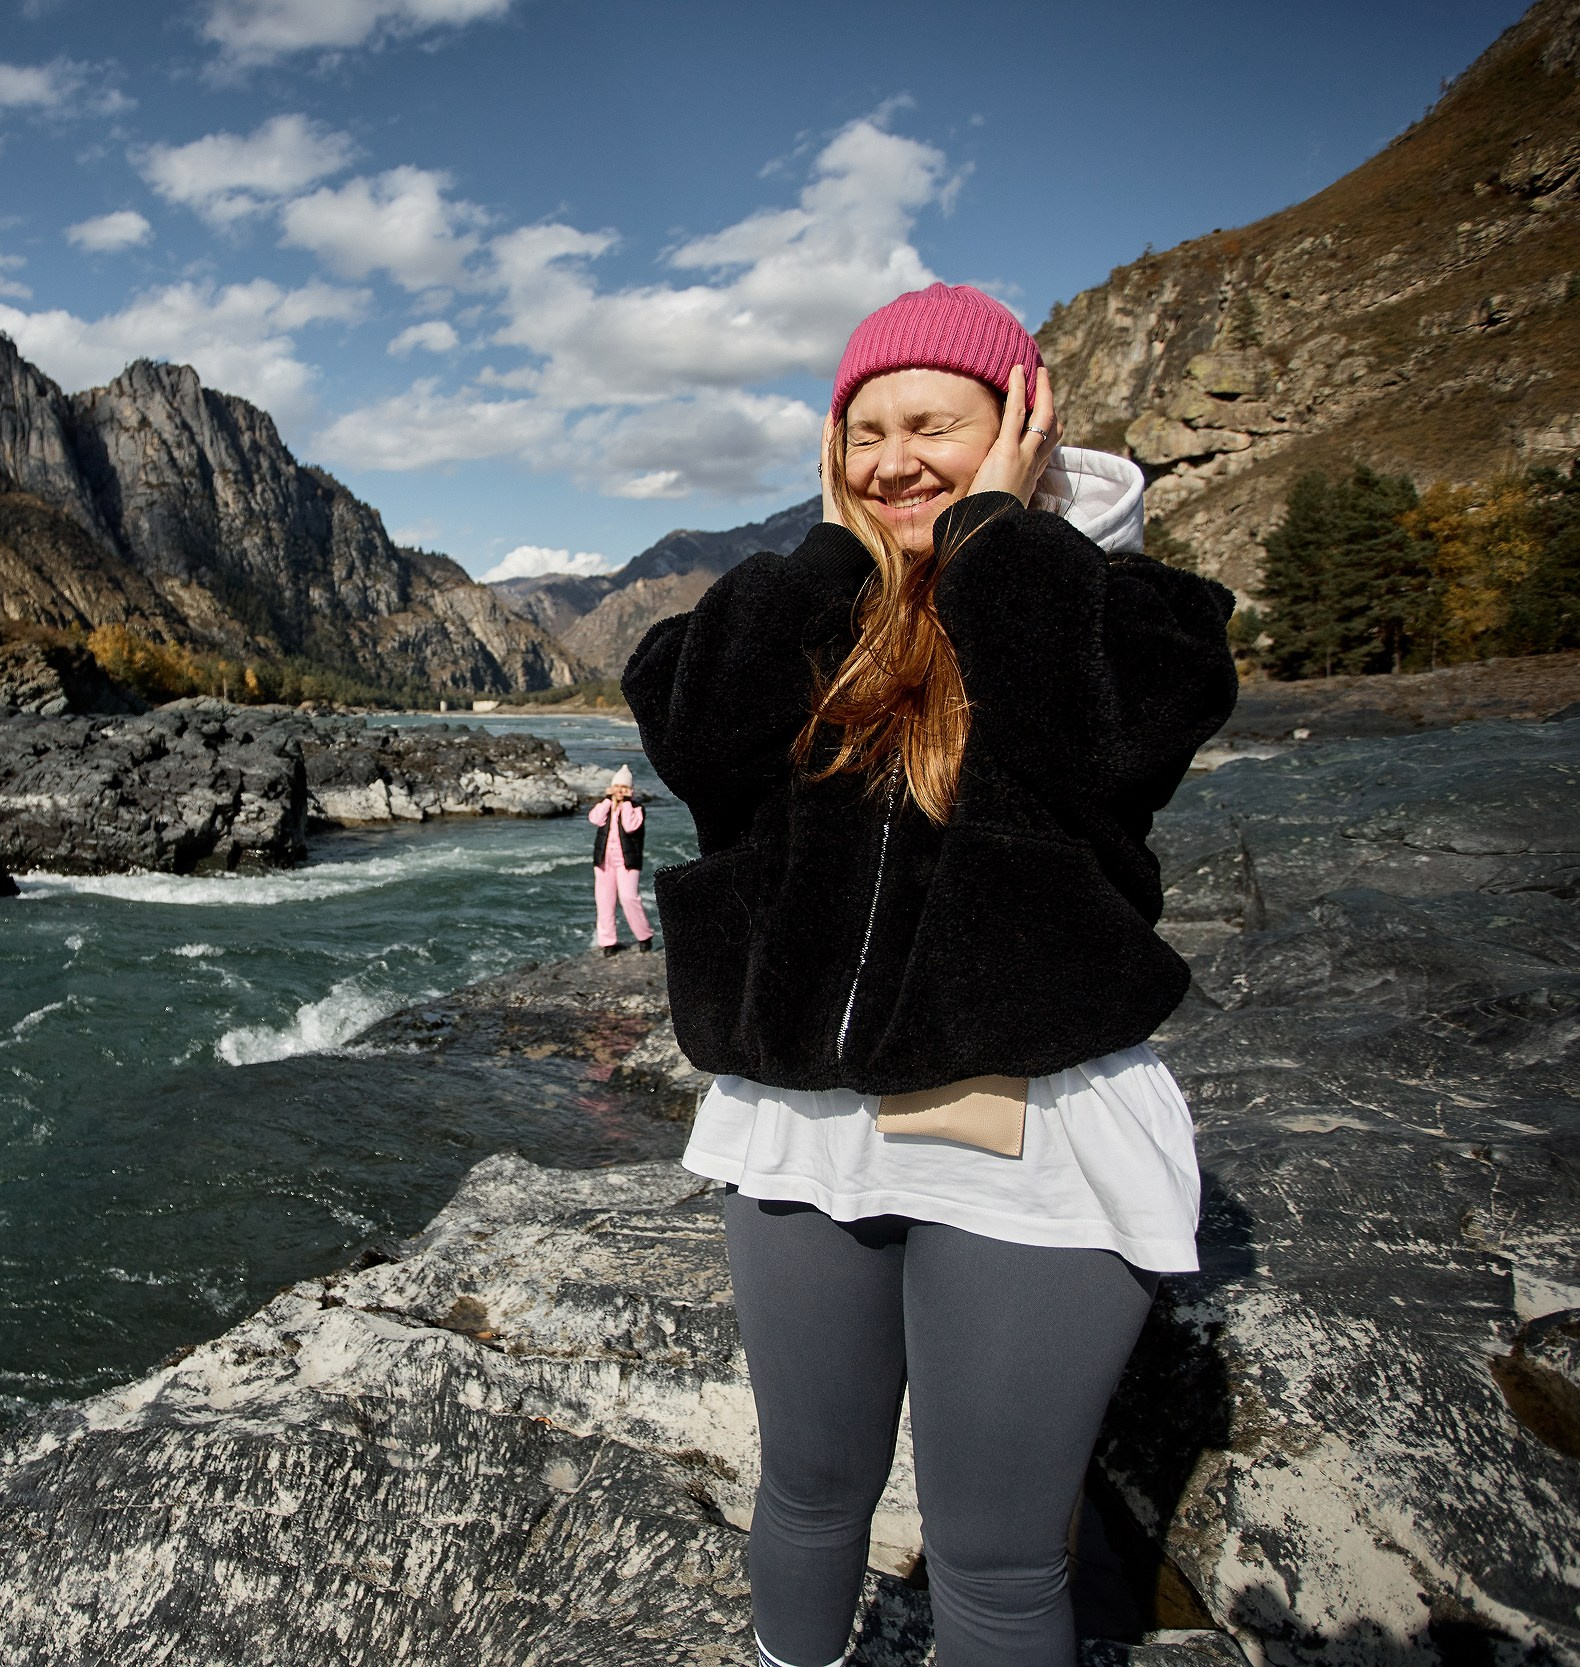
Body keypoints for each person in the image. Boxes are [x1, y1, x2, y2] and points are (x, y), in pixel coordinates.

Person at [621, 282, 1238, 1667]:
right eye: (865, 428)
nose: (895, 455)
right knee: (810, 1488)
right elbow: (692, 725)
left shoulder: (1120, 606)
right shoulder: (812, 607)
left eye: (935, 424)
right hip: (806, 1127)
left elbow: (1110, 728)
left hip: (1032, 1130)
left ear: (1021, 420)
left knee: (1001, 1559)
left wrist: (996, 535)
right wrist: (835, 557)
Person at [588, 766, 655, 956]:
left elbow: (630, 826)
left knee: (628, 897)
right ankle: (608, 942)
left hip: (627, 861)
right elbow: (595, 818)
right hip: (604, 861)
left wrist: (625, 803)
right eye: (616, 786)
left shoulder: (637, 809)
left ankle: (644, 935)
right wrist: (608, 800)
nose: (619, 790)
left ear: (630, 790)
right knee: (604, 900)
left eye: (623, 787)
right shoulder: (606, 807)